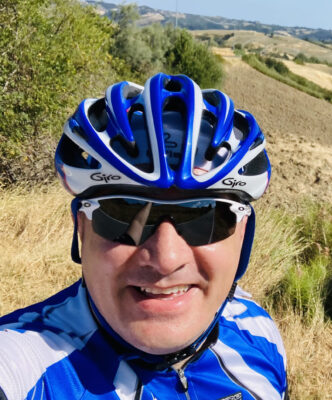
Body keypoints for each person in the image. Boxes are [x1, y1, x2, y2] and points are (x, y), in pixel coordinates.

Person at [0, 73, 287, 399]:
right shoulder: (25, 365)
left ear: (243, 234)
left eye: (206, 217)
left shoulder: (259, 334)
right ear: (81, 228)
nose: (167, 259)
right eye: (123, 212)